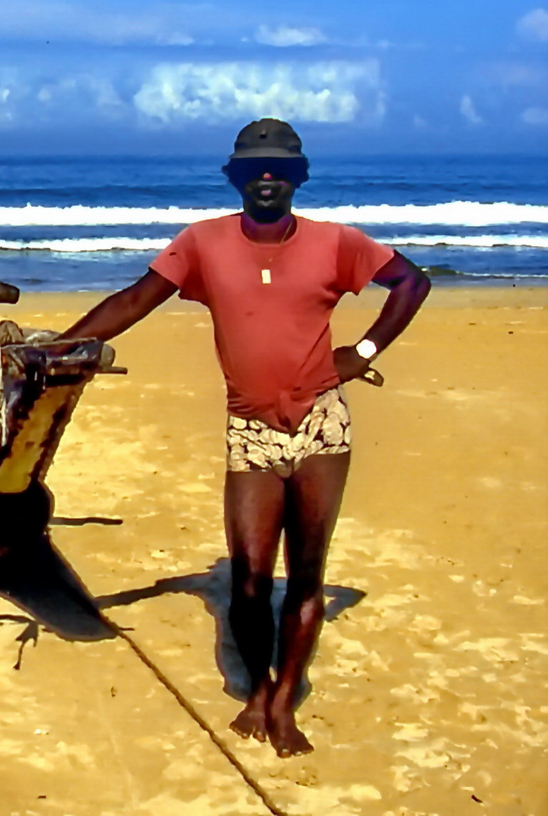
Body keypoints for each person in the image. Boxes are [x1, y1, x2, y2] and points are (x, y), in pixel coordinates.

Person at [62, 119, 430, 757]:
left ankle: (284, 702)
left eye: (280, 168)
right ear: (235, 177)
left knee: (308, 576)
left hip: (322, 425)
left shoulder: (336, 243)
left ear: (298, 178)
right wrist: (58, 348)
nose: (268, 176)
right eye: (256, 168)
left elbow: (411, 283)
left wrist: (363, 350)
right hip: (250, 430)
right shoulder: (203, 244)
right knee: (251, 583)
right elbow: (134, 300)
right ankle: (257, 690)